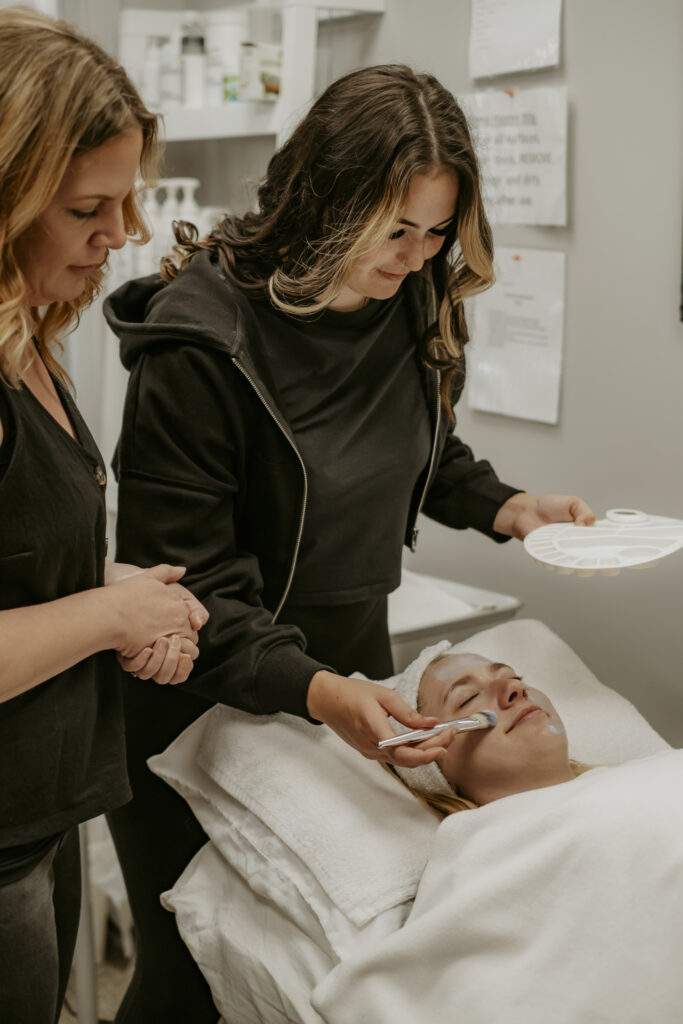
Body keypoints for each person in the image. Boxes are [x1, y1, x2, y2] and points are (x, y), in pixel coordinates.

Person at [104, 64, 594, 1020]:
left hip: (350, 668)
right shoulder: (201, 345)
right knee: (197, 977)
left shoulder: (407, 294)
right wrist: (318, 692)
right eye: (396, 230)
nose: (417, 257)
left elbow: (418, 447)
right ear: (320, 202)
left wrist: (507, 506)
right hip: (197, 689)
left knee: (334, 959)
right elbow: (184, 585)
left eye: (436, 232)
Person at [0, 9, 209, 1023]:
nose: (121, 235)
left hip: (38, 819)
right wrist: (112, 618)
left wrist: (119, 591)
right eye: (90, 205)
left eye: (124, 201)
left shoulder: (29, 343)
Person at [386, 645, 591, 816]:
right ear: (441, 775)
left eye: (514, 677)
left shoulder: (618, 785)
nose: (514, 688)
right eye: (469, 697)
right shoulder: (490, 857)